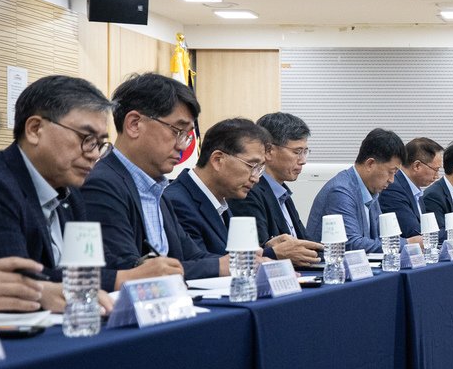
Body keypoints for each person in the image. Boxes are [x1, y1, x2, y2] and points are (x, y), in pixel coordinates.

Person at [0, 75, 120, 311]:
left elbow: (94, 267)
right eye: (86, 138)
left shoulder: (71, 193)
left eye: (100, 143)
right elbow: (11, 280)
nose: (94, 154)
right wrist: (121, 278)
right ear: (35, 129)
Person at [81, 73, 222, 285]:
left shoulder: (156, 188)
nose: (183, 146)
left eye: (187, 136)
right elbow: (131, 270)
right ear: (134, 124)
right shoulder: (101, 184)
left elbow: (192, 257)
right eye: (177, 131)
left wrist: (252, 263)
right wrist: (220, 266)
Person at [163, 118, 284, 258]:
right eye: (252, 166)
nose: (256, 178)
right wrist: (269, 255)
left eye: (260, 169)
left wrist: (263, 249)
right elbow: (198, 265)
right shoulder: (176, 202)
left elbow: (226, 254)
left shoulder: (222, 201)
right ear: (218, 160)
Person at [228, 112, 322, 266]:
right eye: (297, 152)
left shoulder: (282, 193)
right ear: (269, 151)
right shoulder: (249, 192)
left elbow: (305, 242)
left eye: (305, 152)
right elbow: (258, 251)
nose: (303, 161)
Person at [306, 128, 415, 252]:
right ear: (370, 164)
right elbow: (352, 244)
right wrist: (407, 243)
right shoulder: (340, 191)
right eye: (391, 172)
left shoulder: (371, 190)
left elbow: (381, 238)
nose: (392, 180)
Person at [378, 137, 443, 238]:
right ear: (417, 166)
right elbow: (413, 233)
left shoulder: (415, 190)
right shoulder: (393, 188)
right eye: (436, 169)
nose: (437, 176)